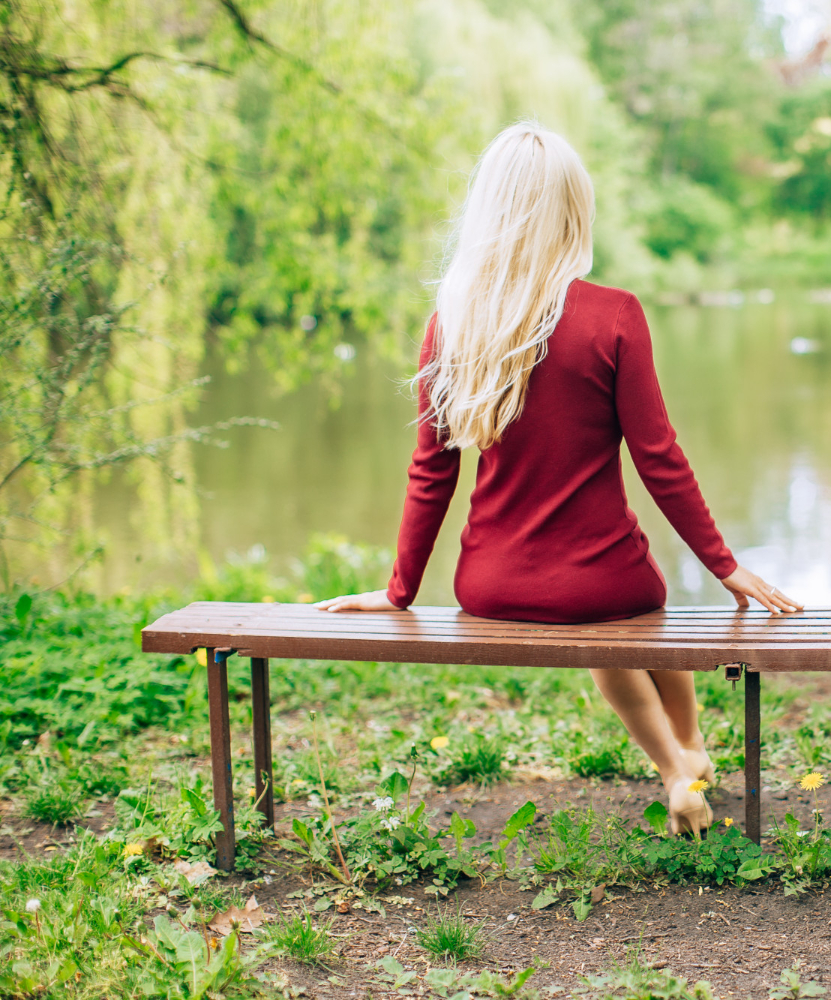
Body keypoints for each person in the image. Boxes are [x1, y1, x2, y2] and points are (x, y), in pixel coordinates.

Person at [314, 122, 800, 835]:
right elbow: (659, 459)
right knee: (631, 608)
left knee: (604, 627)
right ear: (574, 210)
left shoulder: (453, 324)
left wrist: (399, 592)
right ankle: (686, 753)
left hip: (490, 588)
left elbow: (432, 470)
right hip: (606, 582)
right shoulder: (614, 315)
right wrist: (724, 567)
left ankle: (677, 764)